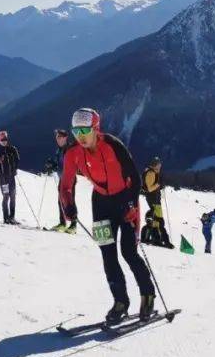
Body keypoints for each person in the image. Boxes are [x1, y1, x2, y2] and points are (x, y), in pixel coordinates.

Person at [59, 107, 156, 323]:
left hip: (125, 201)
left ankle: (148, 293)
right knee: (107, 254)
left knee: (129, 252)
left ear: (96, 128)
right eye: (76, 132)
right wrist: (68, 206)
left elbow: (135, 178)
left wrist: (131, 205)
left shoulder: (113, 145)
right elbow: (65, 184)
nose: (81, 137)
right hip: (101, 203)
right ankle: (120, 301)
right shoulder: (73, 153)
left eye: (85, 131)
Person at [141, 157, 173, 248]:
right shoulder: (151, 173)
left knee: (157, 219)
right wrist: (159, 184)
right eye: (159, 165)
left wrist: (159, 186)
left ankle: (157, 238)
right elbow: (149, 188)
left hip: (155, 199)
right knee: (159, 220)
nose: (160, 166)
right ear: (155, 165)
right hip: (153, 199)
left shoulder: (154, 172)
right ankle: (159, 239)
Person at [50, 128, 77, 233]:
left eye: (60, 137)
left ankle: (73, 225)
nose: (58, 139)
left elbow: (72, 164)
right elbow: (59, 164)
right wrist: (52, 165)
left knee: (70, 201)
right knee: (60, 200)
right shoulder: (59, 150)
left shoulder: (69, 149)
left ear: (65, 138)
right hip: (62, 178)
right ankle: (62, 223)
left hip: (70, 179)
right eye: (57, 137)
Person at [0, 130, 20, 225]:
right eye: (2, 139)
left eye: (5, 139)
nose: (4, 141)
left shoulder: (12, 149)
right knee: (6, 196)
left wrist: (15, 168)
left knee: (13, 196)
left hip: (11, 177)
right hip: (3, 178)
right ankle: (6, 218)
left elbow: (17, 160)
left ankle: (12, 217)